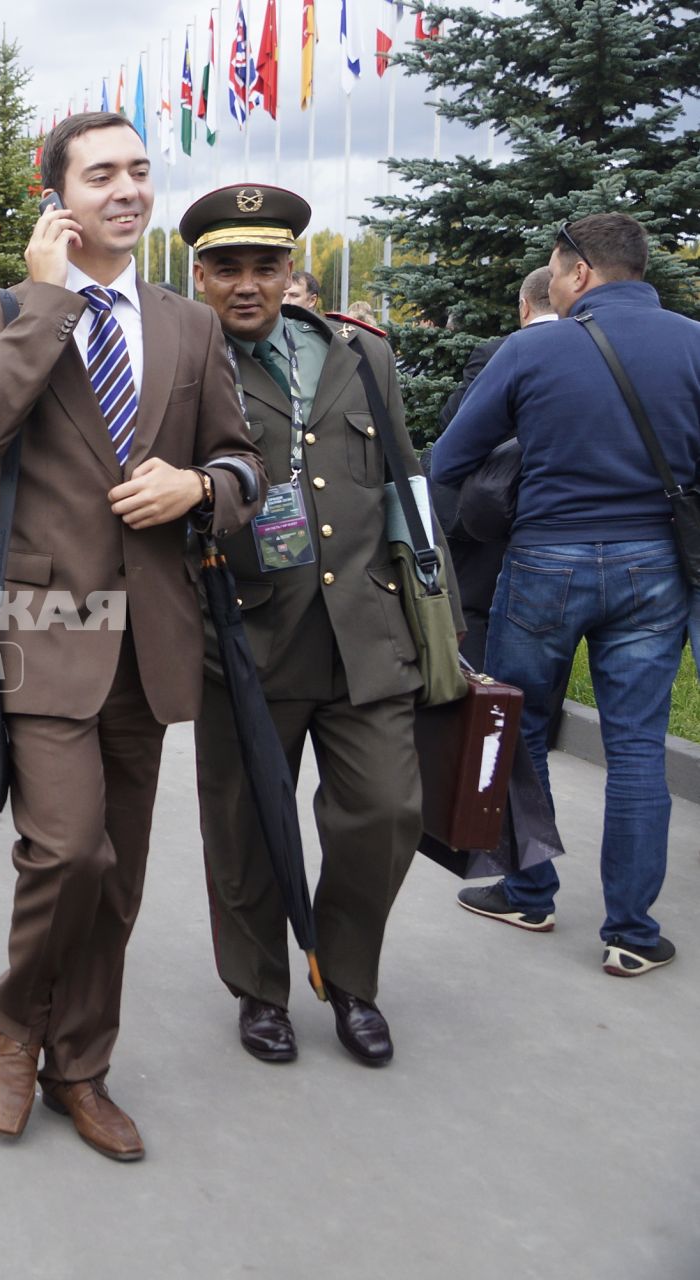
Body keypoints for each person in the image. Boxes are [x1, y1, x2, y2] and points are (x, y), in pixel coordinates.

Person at [0, 112, 263, 1158]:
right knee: (68, 850)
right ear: (57, 197)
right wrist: (46, 303)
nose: (124, 189)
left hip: (152, 634)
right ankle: (13, 1023)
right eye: (98, 174)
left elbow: (243, 465)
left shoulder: (186, 324)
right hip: (42, 623)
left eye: (137, 171)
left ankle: (80, 1062)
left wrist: (198, 486)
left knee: (116, 875)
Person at [183, 184, 459, 1069]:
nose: (248, 285)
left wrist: (438, 623)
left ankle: (349, 978)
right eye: (228, 268)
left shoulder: (359, 353)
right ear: (201, 276)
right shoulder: (186, 369)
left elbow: (403, 483)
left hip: (366, 632)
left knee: (385, 812)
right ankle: (260, 989)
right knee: (248, 829)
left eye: (266, 265)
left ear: (291, 269)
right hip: (247, 639)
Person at [434, 212, 700, 979]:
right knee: (640, 746)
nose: (550, 282)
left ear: (579, 272)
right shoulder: (692, 344)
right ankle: (633, 933)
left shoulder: (534, 348)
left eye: (554, 269)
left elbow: (452, 457)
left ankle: (529, 889)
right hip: (654, 570)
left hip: (546, 562)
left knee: (522, 726)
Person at [433, 265, 556, 666]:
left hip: (492, 505)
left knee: (474, 606)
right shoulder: (597, 348)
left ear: (524, 306)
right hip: (559, 514)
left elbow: (455, 423)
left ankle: (479, 713)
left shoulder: (500, 350)